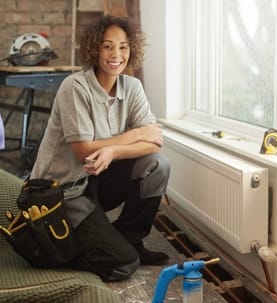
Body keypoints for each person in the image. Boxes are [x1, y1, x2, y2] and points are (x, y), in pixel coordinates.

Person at [30, 15, 170, 281]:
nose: (116, 54)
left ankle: (131, 241)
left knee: (157, 165)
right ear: (95, 48)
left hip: (96, 179)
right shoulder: (75, 87)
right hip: (61, 194)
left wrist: (113, 151)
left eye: (123, 46)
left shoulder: (132, 87)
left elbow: (154, 142)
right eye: (108, 46)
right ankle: (68, 250)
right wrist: (137, 133)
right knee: (122, 266)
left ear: (132, 49)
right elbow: (84, 151)